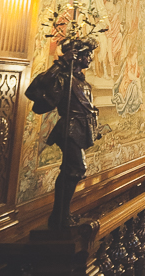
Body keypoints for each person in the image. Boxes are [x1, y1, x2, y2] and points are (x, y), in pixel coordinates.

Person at [26, 37, 101, 228]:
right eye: (87, 55)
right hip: (69, 129)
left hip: (81, 128)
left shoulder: (81, 81)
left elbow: (88, 108)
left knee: (73, 171)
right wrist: (60, 63)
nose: (90, 58)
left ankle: (62, 214)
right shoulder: (64, 78)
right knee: (76, 169)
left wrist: (95, 128)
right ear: (77, 57)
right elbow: (37, 87)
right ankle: (59, 216)